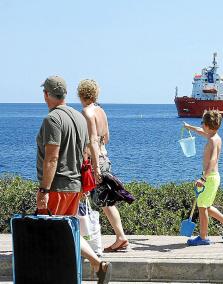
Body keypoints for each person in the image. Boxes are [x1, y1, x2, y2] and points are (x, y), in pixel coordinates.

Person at [36, 75, 112, 283]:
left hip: (57, 187)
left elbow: (51, 158)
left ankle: (54, 276)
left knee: (49, 234)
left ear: (46, 95)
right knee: (67, 231)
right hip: (75, 185)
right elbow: (86, 152)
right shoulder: (78, 118)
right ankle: (98, 264)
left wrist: (43, 190)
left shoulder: (52, 119)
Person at [77, 79, 128, 252]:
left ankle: (119, 237)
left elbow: (91, 139)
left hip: (95, 161)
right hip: (105, 157)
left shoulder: (86, 112)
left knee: (103, 201)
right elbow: (106, 137)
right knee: (106, 201)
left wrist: (95, 166)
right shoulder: (101, 111)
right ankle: (120, 237)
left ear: (81, 94)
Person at [183, 110, 223, 245]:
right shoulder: (215, 137)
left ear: (207, 125)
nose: (201, 126)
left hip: (210, 177)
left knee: (202, 208)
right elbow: (201, 132)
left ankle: (203, 237)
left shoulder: (212, 141)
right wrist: (190, 127)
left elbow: (213, 160)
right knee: (205, 206)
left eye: (202, 123)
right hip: (213, 177)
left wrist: (203, 178)